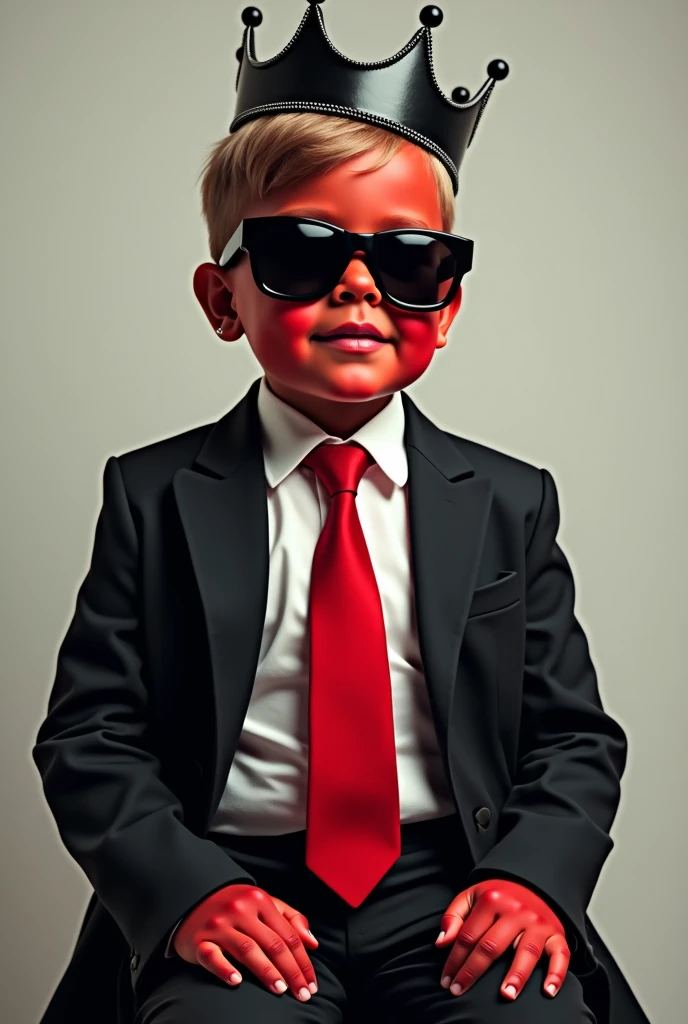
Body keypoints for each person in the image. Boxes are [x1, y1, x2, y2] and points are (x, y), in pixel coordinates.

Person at [32, 4, 651, 1023]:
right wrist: (189, 889)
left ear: (445, 308)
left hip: (447, 883)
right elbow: (91, 733)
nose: (360, 287)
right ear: (223, 299)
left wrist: (532, 879)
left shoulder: (508, 499)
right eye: (301, 254)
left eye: (409, 262)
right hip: (237, 877)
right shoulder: (150, 495)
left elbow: (572, 736)